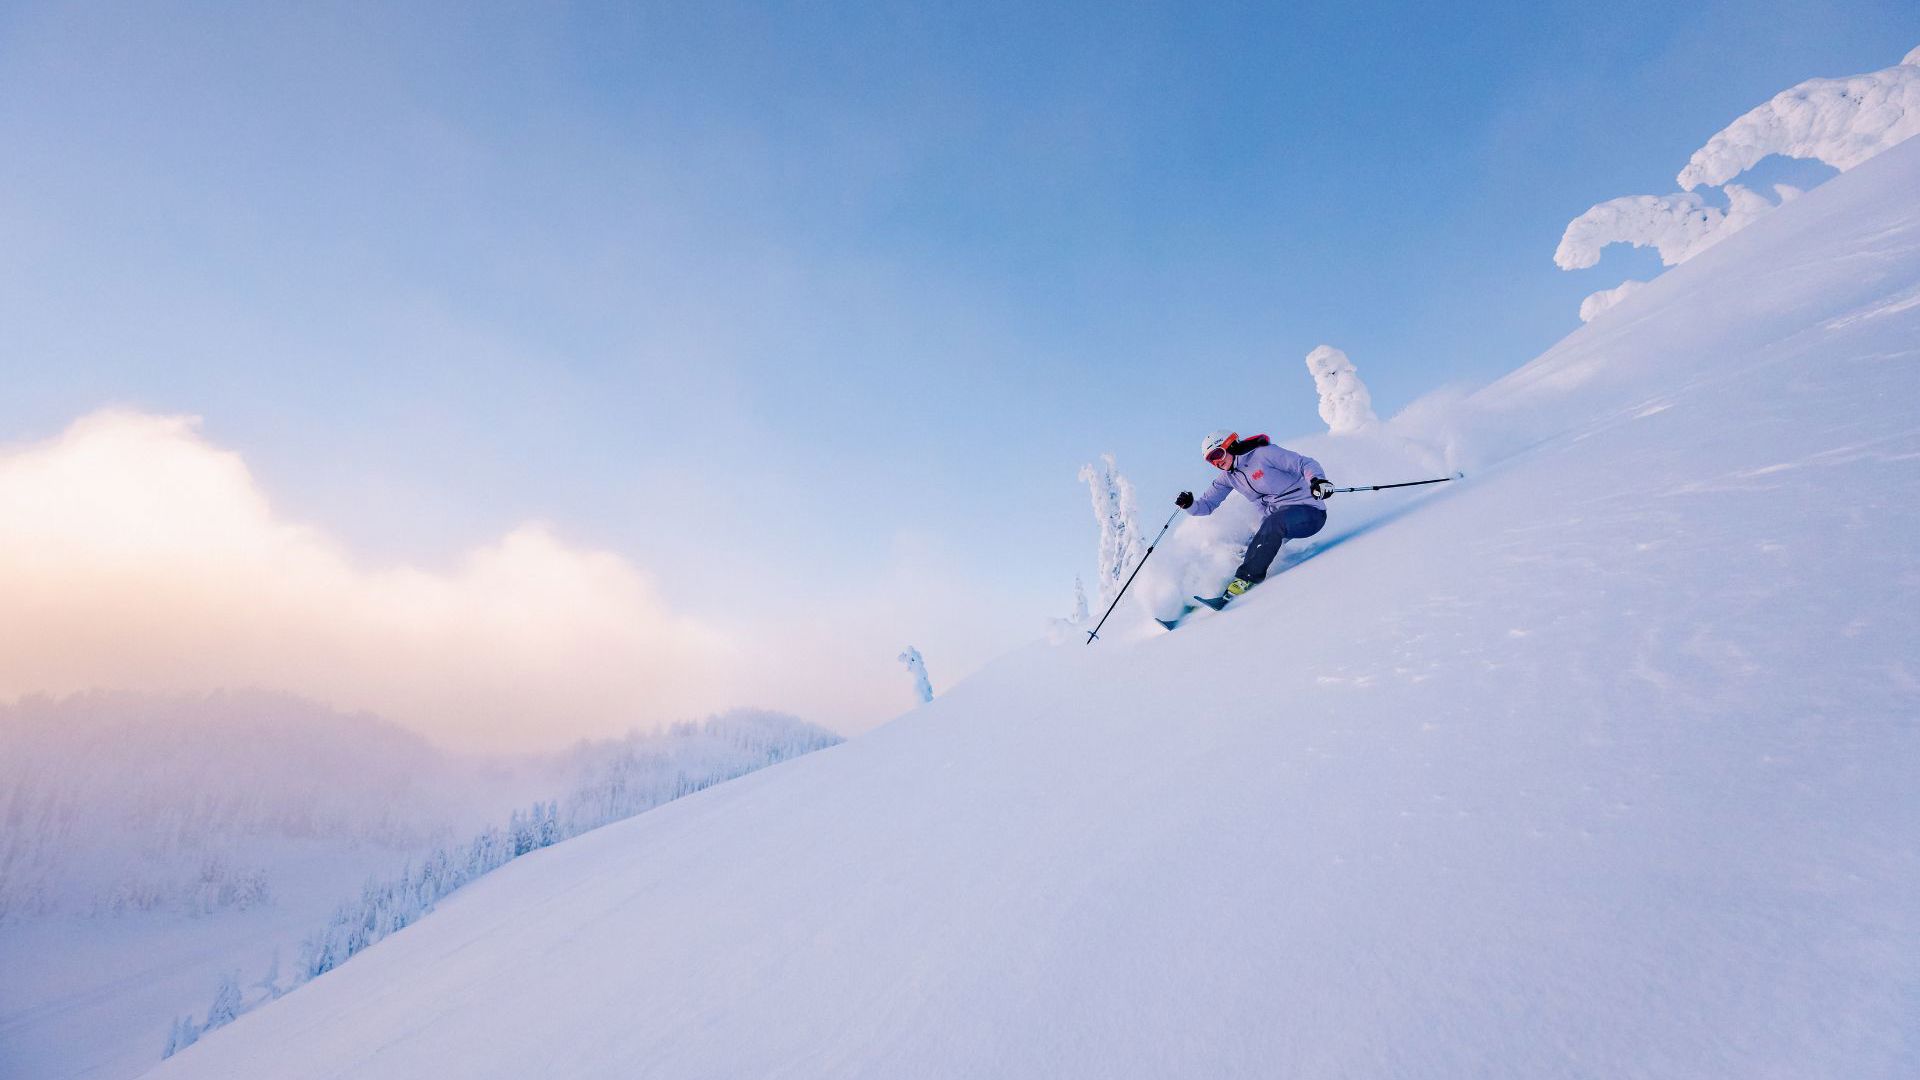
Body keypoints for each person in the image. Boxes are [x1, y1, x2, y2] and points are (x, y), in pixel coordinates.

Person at [1176, 430, 1333, 603]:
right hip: (1277, 522)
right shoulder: (1227, 478)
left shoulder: (1264, 454)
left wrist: (1317, 481)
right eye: (1211, 460)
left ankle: (1246, 579)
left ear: (1231, 445)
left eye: (1218, 453)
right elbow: (1206, 505)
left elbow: (1304, 463)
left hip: (1309, 512)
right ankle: (1218, 587)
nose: (1217, 462)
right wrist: (1190, 505)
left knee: (1273, 522)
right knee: (1240, 549)